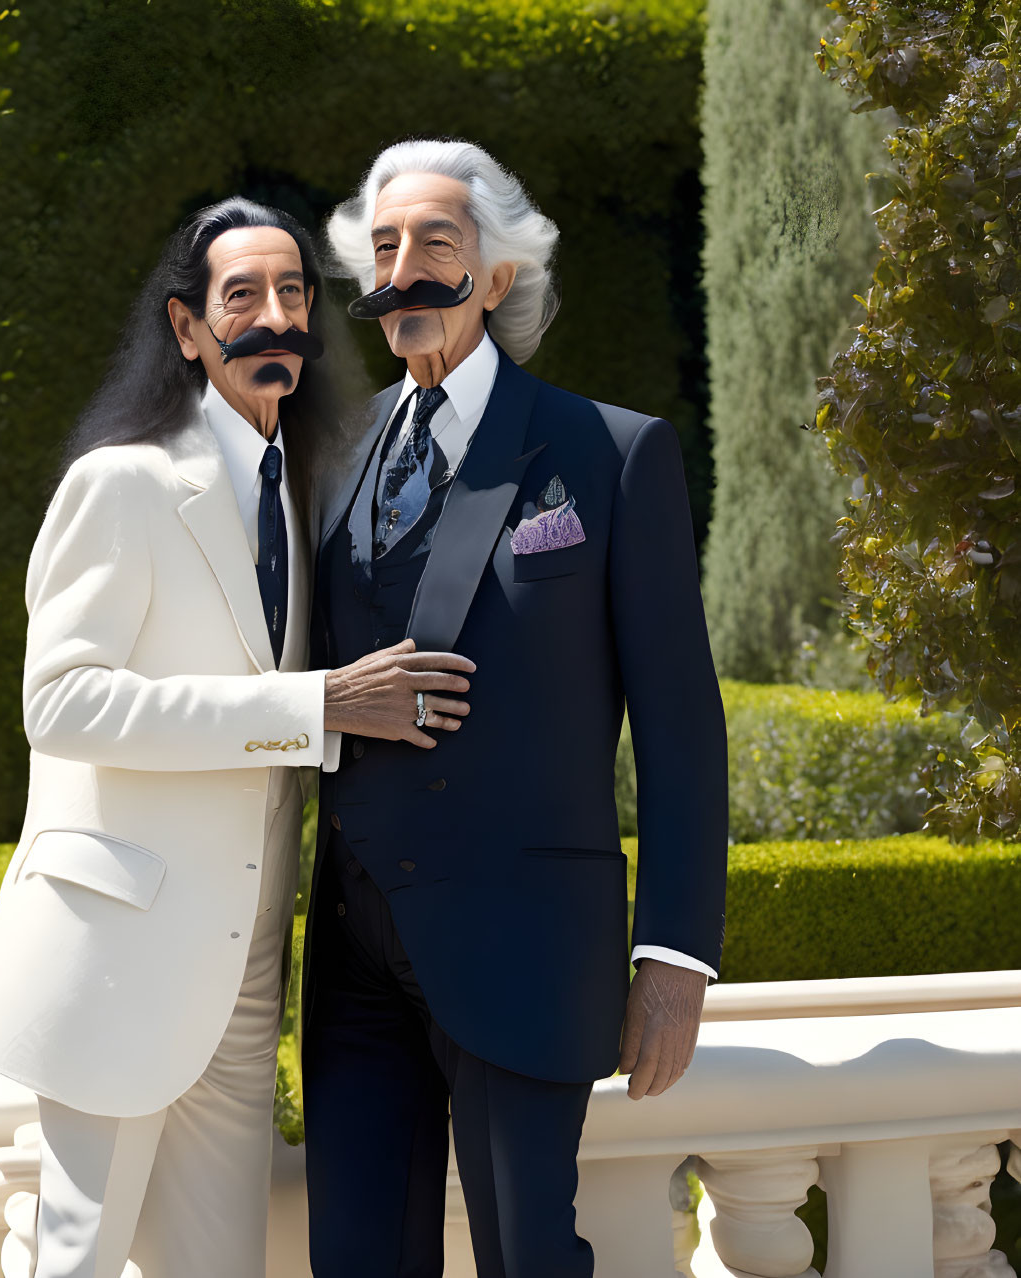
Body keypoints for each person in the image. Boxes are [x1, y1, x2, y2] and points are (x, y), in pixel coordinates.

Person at [0, 196, 476, 1278]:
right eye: (241, 295)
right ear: (186, 327)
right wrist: (315, 705)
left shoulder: (304, 495)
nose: (275, 317)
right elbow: (59, 703)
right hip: (116, 953)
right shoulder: (120, 482)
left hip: (245, 968)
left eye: (292, 293)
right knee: (77, 1260)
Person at [302, 138, 728, 1277]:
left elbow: (680, 722)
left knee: (530, 1259)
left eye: (435, 243)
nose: (404, 271)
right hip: (352, 955)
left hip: (521, 939)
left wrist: (675, 956)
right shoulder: (330, 458)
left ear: (495, 275)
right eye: (383, 247)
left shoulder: (610, 452)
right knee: (353, 1259)